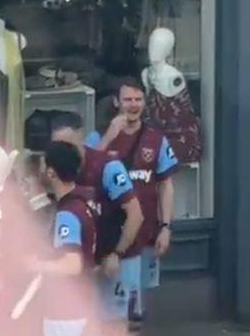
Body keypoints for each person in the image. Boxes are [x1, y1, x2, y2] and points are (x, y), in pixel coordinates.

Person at [88, 77, 178, 332]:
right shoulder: (98, 136)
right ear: (117, 102)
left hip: (145, 234)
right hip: (111, 236)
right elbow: (86, 174)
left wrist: (166, 226)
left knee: (136, 309)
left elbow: (165, 184)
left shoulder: (155, 139)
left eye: (138, 99)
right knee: (112, 310)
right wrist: (108, 137)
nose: (133, 105)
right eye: (128, 99)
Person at [49, 111, 144, 334]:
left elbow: (135, 214)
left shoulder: (106, 167)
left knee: (114, 323)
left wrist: (117, 254)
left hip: (112, 257)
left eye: (66, 143)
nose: (61, 151)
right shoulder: (55, 172)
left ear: (81, 137)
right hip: (82, 266)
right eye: (56, 145)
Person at [26, 141, 98, 336]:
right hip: (82, 304)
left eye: (42, 166)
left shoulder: (67, 214)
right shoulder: (82, 203)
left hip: (65, 312)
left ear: (51, 172)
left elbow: (72, 264)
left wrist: (34, 265)